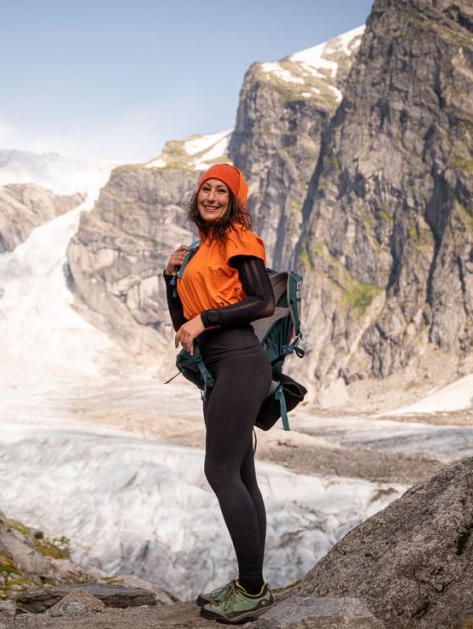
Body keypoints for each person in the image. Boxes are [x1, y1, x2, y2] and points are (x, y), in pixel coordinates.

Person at [163, 163, 276, 624]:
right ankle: (252, 583)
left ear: (234, 200)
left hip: (241, 362)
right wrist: (170, 278)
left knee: (220, 470)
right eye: (205, 189)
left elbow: (263, 302)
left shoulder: (238, 239)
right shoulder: (199, 249)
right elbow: (182, 325)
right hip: (218, 368)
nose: (210, 197)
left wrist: (207, 319)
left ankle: (252, 589)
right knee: (241, 474)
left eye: (221, 191)